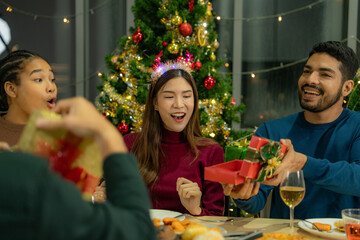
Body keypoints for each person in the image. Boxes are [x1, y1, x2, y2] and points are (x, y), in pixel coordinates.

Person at [222, 41, 360, 219]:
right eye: (307, 71)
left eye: (325, 74)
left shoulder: (356, 126)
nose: (310, 79)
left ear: (347, 88)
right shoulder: (272, 131)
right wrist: (242, 193)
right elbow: (256, 200)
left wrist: (302, 163)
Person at [0, 97, 156, 240]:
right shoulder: (33, 181)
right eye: (38, 79)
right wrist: (106, 133)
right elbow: (137, 231)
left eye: (52, 78)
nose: (50, 88)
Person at [123, 60, 224, 216]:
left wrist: (195, 209)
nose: (179, 104)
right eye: (169, 97)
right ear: (155, 103)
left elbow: (216, 219)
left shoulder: (211, 152)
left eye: (186, 96)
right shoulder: (129, 145)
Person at [0, 50, 57, 147]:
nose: (51, 87)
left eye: (52, 80)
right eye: (39, 80)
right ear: (11, 89)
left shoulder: (61, 132)